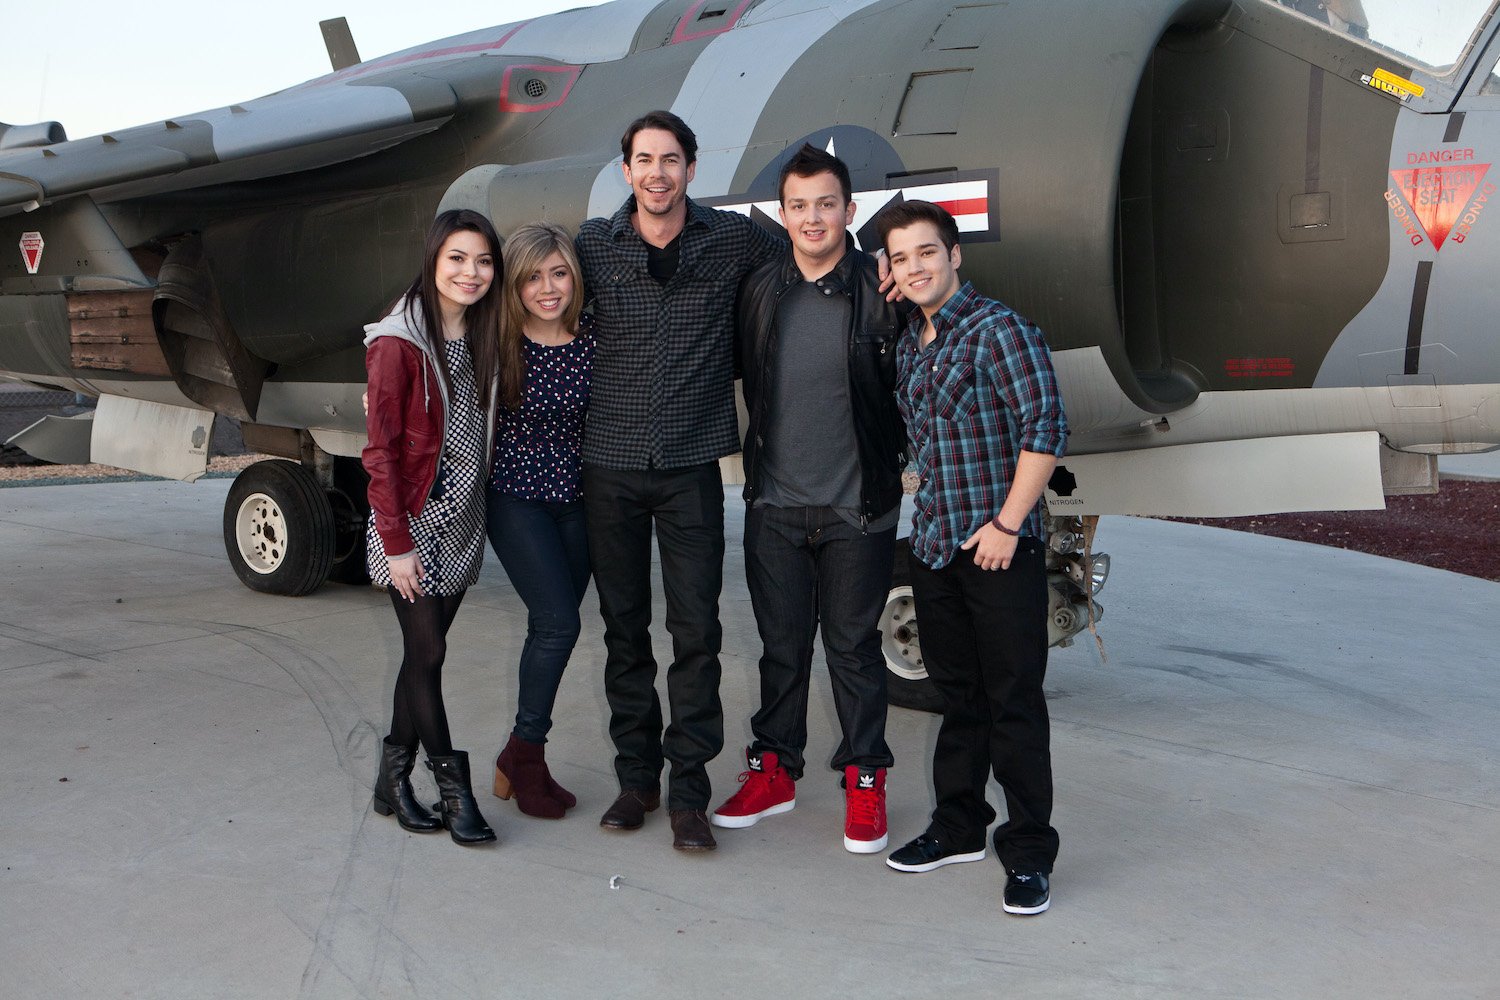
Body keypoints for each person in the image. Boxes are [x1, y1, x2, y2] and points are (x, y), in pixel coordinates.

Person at [574, 110, 783, 851]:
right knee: (624, 632)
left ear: (692, 169)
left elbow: (807, 258)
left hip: (693, 466)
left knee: (697, 631)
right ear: (625, 171)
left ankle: (689, 791)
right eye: (643, 160)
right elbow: (523, 301)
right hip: (610, 467)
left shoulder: (732, 237)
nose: (657, 172)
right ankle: (637, 781)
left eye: (671, 159)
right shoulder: (593, 246)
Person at [711, 144, 908, 854]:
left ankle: (865, 780)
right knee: (782, 651)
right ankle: (775, 772)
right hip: (775, 506)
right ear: (782, 215)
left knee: (853, 651)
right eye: (799, 206)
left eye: (827, 204)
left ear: (850, 212)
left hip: (858, 508)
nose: (813, 217)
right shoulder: (762, 289)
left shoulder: (881, 290)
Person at [876, 200, 1068, 915]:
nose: (916, 267)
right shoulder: (911, 343)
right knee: (958, 701)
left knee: (1013, 702)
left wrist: (1008, 524)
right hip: (933, 547)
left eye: (928, 252)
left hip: (998, 549)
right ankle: (959, 827)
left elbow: (1046, 426)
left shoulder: (999, 331)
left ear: (956, 256)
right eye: (900, 258)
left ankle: (1028, 854)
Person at [363, 209, 502, 846]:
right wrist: (396, 545)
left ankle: (391, 779)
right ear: (433, 259)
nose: (470, 273)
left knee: (421, 659)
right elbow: (381, 452)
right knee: (431, 653)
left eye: (482, 260)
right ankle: (455, 792)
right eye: (457, 259)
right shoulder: (398, 343)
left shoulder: (482, 333)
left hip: (462, 523)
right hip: (413, 525)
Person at [485, 223, 594, 820]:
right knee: (558, 624)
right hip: (517, 499)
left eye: (558, 273)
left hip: (577, 503)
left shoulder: (592, 338)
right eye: (532, 277)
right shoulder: (497, 343)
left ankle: (518, 754)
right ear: (515, 284)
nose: (547, 288)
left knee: (553, 626)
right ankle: (526, 755)